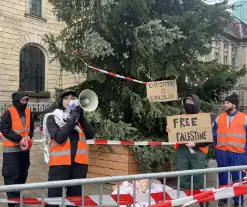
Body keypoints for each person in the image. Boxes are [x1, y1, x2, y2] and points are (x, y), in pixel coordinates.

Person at [43, 90, 95, 207]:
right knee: (54, 200)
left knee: (75, 200)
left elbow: (90, 134)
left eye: (72, 98)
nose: (70, 100)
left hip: (79, 165)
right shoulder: (52, 118)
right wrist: (72, 120)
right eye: (66, 98)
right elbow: (59, 138)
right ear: (60, 101)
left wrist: (81, 117)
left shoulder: (78, 118)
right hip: (59, 165)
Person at [166, 95, 210, 199]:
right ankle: (183, 201)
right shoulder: (181, 118)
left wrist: (195, 143)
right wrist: (170, 130)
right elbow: (175, 134)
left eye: (191, 102)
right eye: (187, 102)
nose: (188, 104)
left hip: (199, 152)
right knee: (183, 178)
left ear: (196, 103)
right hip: (182, 151)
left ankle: (200, 200)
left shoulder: (203, 118)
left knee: (198, 178)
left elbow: (208, 139)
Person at [213, 93, 247, 207]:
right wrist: (216, 148)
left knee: (238, 179)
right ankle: (223, 199)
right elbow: (213, 135)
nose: (224, 105)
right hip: (222, 152)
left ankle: (238, 201)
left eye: (227, 103)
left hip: (239, 153)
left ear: (234, 105)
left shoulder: (244, 118)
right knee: (222, 177)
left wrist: (245, 152)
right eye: (224, 102)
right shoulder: (219, 118)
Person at [1, 91, 34, 207]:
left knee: (22, 173)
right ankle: (13, 201)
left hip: (24, 149)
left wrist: (29, 136)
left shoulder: (28, 112)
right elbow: (4, 129)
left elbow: (31, 128)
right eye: (23, 100)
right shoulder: (8, 112)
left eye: (26, 100)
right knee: (12, 175)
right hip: (11, 150)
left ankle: (18, 195)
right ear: (16, 101)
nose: (25, 102)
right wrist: (19, 139)